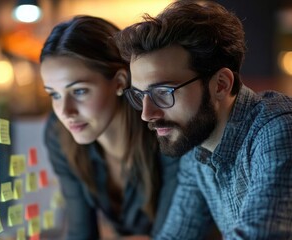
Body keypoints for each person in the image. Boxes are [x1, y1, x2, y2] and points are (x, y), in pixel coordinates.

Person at [115, 0, 292, 239]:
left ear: (221, 85)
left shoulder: (277, 130)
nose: (147, 113)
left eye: (163, 93)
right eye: (140, 95)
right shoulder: (196, 145)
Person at [39, 15, 179, 240]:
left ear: (120, 81)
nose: (65, 111)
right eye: (54, 94)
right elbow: (80, 231)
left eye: (79, 91)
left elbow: (174, 234)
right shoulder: (58, 134)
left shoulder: (165, 129)